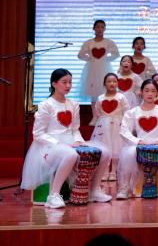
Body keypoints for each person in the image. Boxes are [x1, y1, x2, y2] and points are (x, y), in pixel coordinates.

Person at [21, 68, 112, 208]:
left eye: (70, 82)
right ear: (54, 84)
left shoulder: (73, 104)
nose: (68, 85)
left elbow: (74, 129)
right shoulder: (46, 105)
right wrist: (59, 144)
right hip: (49, 145)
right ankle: (54, 195)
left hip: (71, 142)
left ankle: (94, 190)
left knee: (104, 152)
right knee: (70, 154)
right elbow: (38, 134)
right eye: (64, 82)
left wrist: (79, 141)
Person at [117, 79, 158, 199]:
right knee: (128, 154)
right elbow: (124, 130)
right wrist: (137, 141)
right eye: (147, 90)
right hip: (140, 143)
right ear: (141, 92)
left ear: (157, 93)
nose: (150, 94)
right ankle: (124, 188)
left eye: (153, 91)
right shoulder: (133, 112)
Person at [77, 19, 119, 124]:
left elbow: (116, 54)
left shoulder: (108, 42)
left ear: (105, 29)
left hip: (104, 69)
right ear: (94, 28)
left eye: (102, 27)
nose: (100, 29)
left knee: (105, 91)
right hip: (92, 69)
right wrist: (90, 59)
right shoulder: (88, 42)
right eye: (98, 27)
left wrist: (106, 60)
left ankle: (105, 116)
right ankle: (95, 117)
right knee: (93, 94)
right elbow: (80, 55)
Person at [91, 73, 130, 181]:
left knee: (116, 148)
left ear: (117, 83)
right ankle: (104, 171)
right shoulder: (100, 97)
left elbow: (127, 111)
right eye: (109, 81)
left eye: (114, 81)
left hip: (117, 125)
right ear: (104, 84)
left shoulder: (121, 97)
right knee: (105, 148)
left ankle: (113, 171)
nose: (112, 83)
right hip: (103, 126)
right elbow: (98, 111)